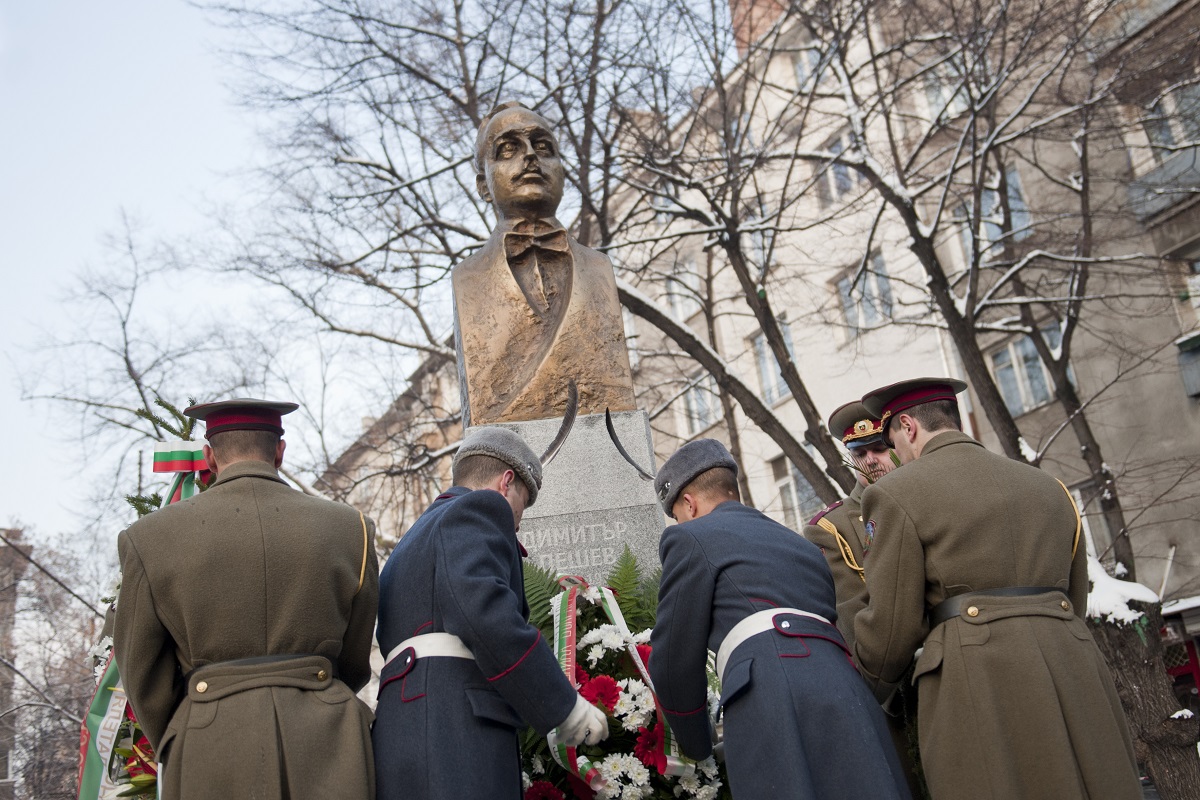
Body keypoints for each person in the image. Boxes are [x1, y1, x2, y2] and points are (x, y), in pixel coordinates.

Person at [854, 378, 1141, 800]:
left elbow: (893, 624)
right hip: (1075, 668)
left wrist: (866, 686)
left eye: (892, 438)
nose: (897, 452)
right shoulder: (1051, 488)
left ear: (909, 427)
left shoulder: (894, 494)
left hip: (978, 680)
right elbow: (1075, 597)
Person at [114, 399, 378, 800]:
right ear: (279, 451)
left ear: (209, 457)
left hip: (207, 744)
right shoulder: (352, 529)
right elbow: (356, 657)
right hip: (329, 743)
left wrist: (186, 725)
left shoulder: (147, 538)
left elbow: (140, 668)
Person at [648, 439, 911, 799]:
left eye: (676, 512)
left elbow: (673, 657)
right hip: (847, 689)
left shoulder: (689, 536)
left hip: (771, 692)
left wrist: (696, 746)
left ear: (689, 504)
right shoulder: (802, 544)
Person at [373, 426, 608, 800]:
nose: (517, 522)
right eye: (522, 504)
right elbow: (482, 614)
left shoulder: (410, 542)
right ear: (506, 482)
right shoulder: (479, 507)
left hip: (403, 731)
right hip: (456, 731)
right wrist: (564, 708)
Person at [452, 101, 636, 427]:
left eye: (543, 146)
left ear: (562, 171)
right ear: (483, 185)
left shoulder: (598, 268)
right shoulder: (469, 279)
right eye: (508, 149)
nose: (531, 156)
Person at [803, 401, 897, 651]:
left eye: (880, 449)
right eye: (860, 454)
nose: (871, 461)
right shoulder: (830, 527)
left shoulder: (929, 500)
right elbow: (851, 612)